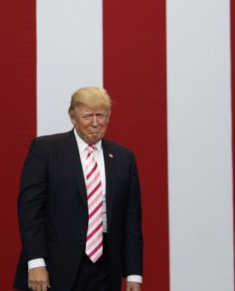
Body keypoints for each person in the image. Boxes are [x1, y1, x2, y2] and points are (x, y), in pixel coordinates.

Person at [13, 87, 143, 291]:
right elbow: (30, 210)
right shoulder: (45, 150)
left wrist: (134, 274)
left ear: (108, 117)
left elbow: (131, 220)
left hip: (105, 269)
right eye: (87, 116)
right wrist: (36, 262)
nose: (95, 122)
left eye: (100, 115)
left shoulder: (124, 158)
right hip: (54, 268)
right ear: (73, 117)